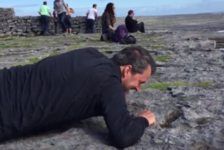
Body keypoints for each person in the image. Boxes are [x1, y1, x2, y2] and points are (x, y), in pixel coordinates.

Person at [0, 46, 156, 149]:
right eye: (139, 82)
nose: (138, 88)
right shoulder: (109, 83)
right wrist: (143, 120)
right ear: (128, 70)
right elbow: (124, 135)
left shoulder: (91, 53)